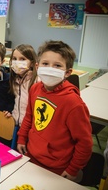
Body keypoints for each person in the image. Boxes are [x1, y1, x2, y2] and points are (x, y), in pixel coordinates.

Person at [17, 40, 92, 182]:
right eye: (45, 64)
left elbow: (84, 142)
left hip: (57, 167)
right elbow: (29, 117)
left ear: (68, 72)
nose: (50, 68)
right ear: (37, 66)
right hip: (32, 156)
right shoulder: (35, 88)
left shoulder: (73, 104)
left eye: (57, 65)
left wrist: (73, 169)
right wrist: (22, 138)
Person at [4, 44, 38, 128]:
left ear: (32, 63)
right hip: (15, 125)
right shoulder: (14, 80)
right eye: (14, 59)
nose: (17, 62)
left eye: (22, 59)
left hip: (31, 127)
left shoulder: (37, 81)